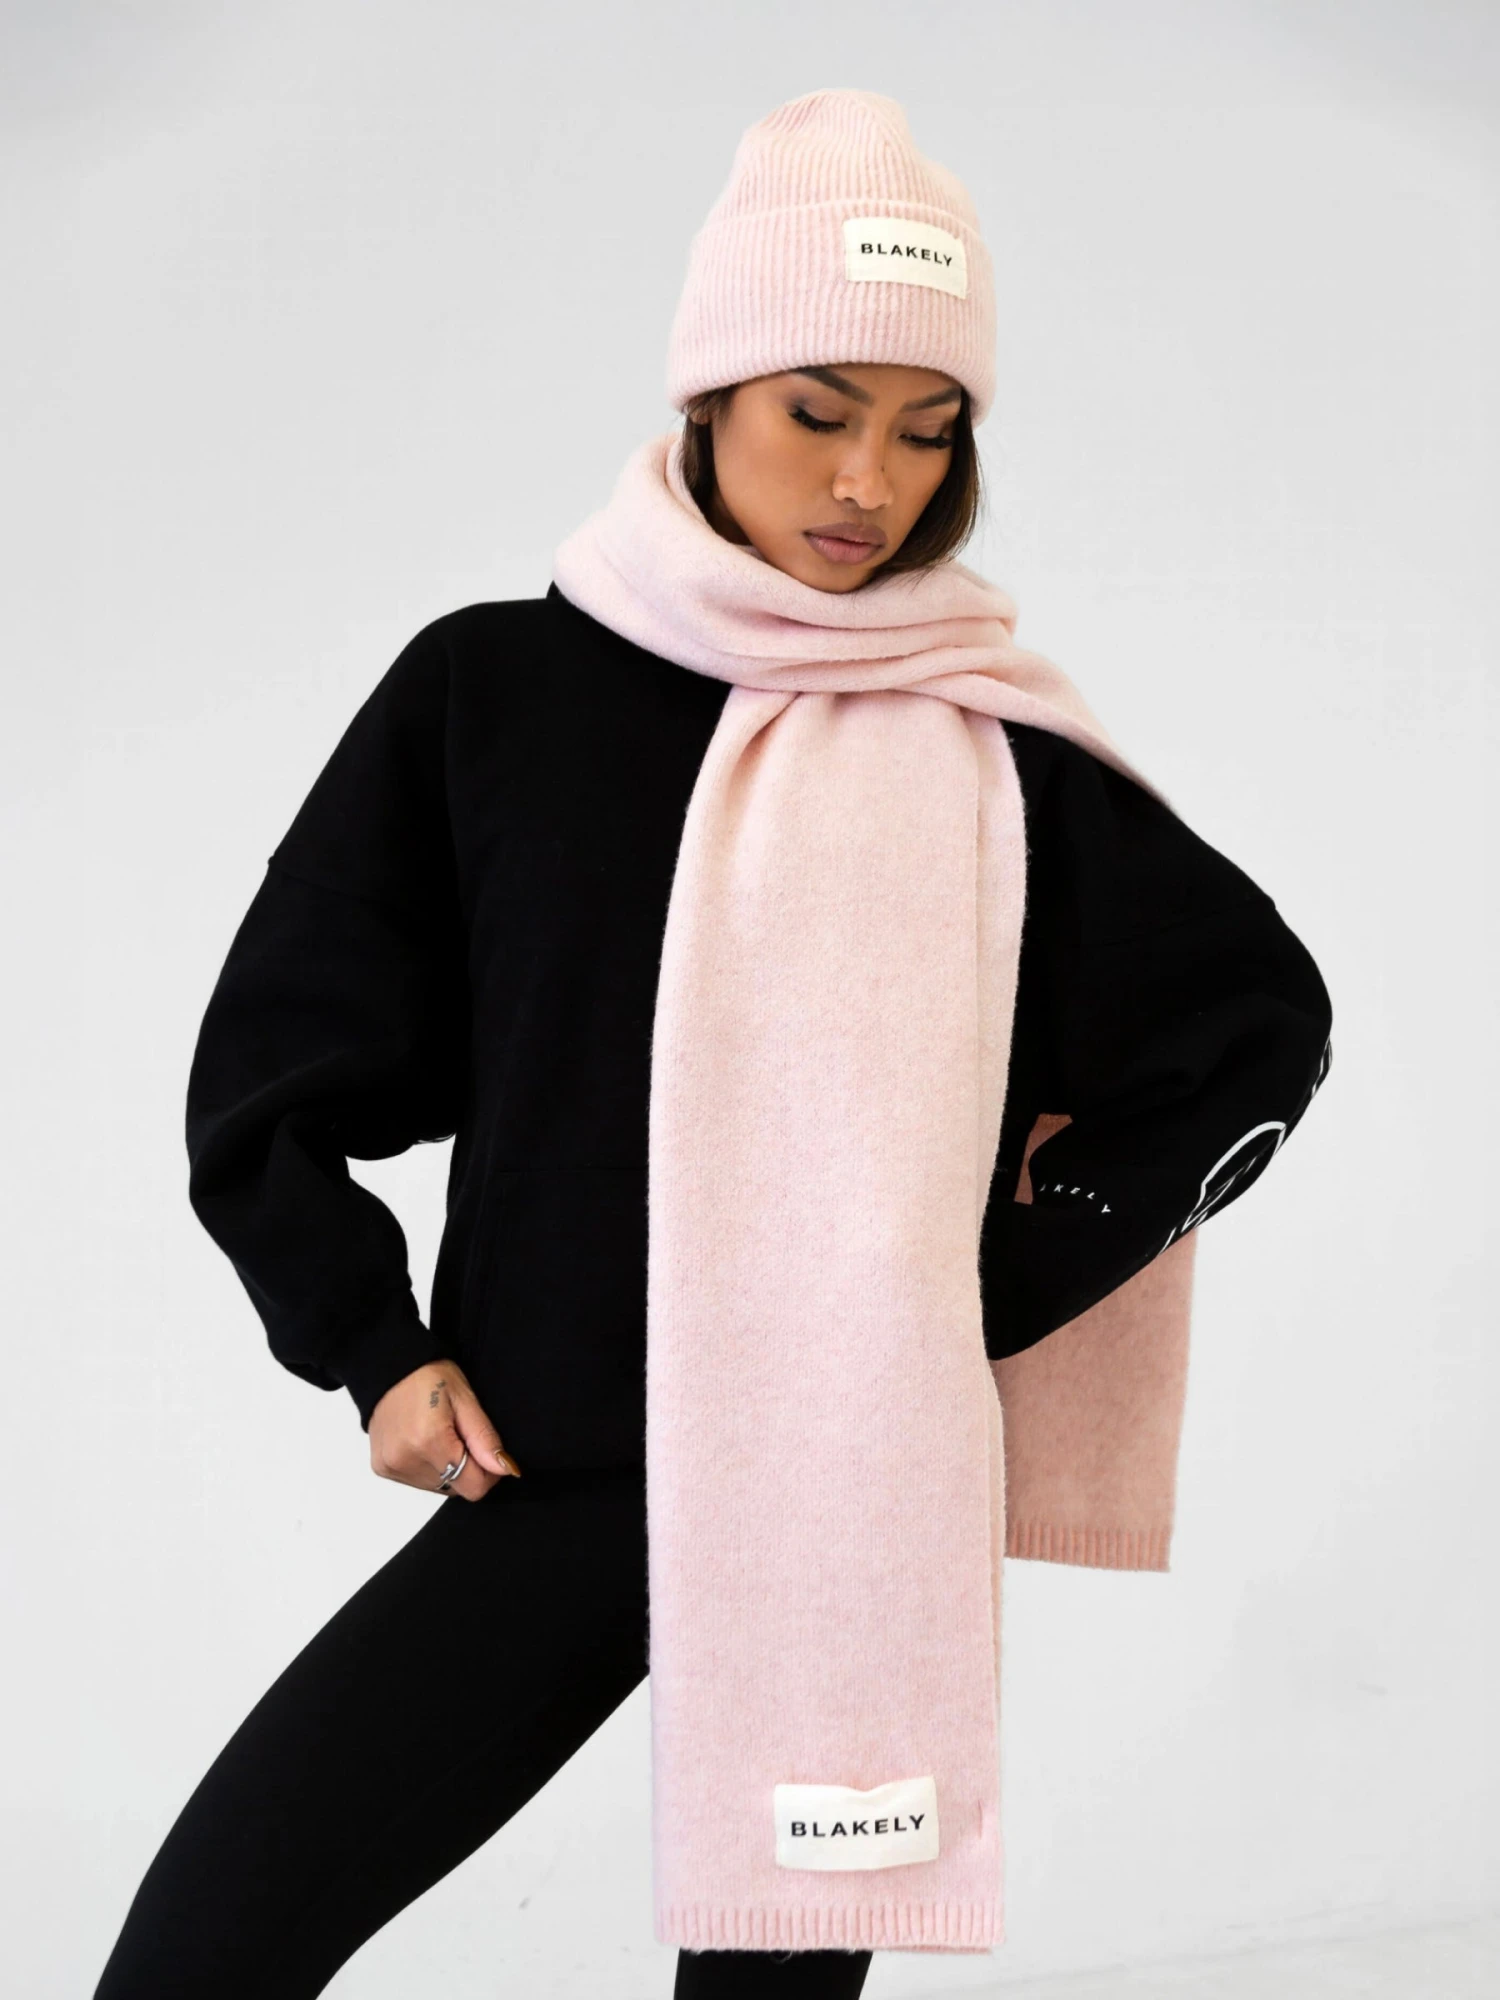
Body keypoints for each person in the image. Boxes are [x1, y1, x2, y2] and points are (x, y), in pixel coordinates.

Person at [92, 90, 1332, 1998]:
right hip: (557, 1452)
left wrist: (978, 1290)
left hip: (852, 1482)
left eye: (928, 430)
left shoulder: (984, 744)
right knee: (208, 1947)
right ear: (711, 395)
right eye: (818, 411)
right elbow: (278, 1071)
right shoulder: (492, 692)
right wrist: (373, 1346)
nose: (869, 482)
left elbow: (1253, 1028)